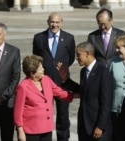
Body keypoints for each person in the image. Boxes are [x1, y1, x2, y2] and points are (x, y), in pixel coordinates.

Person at [32, 12, 76, 141]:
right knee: (43, 112)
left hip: (62, 82)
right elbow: (36, 58)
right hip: (43, 82)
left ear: (61, 23)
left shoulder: (69, 38)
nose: (54, 25)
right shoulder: (39, 38)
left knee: (63, 114)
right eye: (52, 22)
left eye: (57, 22)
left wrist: (62, 69)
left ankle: (63, 138)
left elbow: (71, 58)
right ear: (48, 22)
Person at [14, 55, 75, 141]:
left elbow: (59, 92)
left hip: (46, 128)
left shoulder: (46, 80)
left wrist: (79, 95)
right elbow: (18, 111)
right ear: (32, 73)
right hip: (31, 130)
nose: (43, 70)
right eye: (40, 69)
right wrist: (20, 131)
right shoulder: (23, 87)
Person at [61, 42, 113, 141]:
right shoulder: (83, 71)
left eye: (78, 55)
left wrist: (100, 126)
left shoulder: (103, 72)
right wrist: (66, 80)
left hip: (97, 126)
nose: (77, 58)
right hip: (84, 125)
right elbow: (83, 90)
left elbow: (106, 103)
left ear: (87, 53)